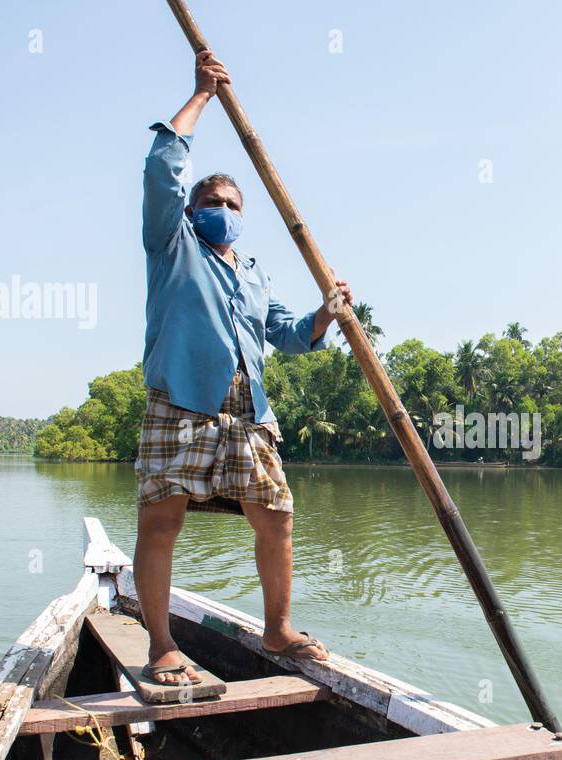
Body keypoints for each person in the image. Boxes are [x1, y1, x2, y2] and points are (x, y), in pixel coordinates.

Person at [133, 50, 350, 683]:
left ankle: (278, 630)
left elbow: (289, 335)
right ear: (193, 208)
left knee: (276, 515)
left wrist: (328, 313)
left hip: (247, 416)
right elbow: (161, 169)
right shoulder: (172, 247)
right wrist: (201, 95)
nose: (220, 207)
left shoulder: (254, 276)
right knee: (161, 520)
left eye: (230, 201)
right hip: (181, 404)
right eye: (210, 199)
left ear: (242, 215)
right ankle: (161, 646)